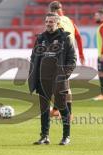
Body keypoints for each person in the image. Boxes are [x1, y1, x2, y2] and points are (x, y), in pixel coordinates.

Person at [28, 13, 76, 145]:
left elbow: (72, 61)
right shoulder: (41, 38)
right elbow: (34, 58)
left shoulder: (66, 39)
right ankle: (44, 136)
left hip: (59, 80)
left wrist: (63, 76)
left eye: (51, 22)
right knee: (44, 109)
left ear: (57, 23)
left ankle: (66, 137)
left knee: (62, 107)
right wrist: (33, 75)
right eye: (47, 21)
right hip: (43, 79)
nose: (48, 23)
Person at [48, 1, 85, 119]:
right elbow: (78, 36)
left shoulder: (54, 20)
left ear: (52, 10)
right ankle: (55, 110)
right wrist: (81, 54)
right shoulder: (69, 20)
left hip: (62, 56)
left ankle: (68, 114)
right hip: (71, 55)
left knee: (62, 85)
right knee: (59, 84)